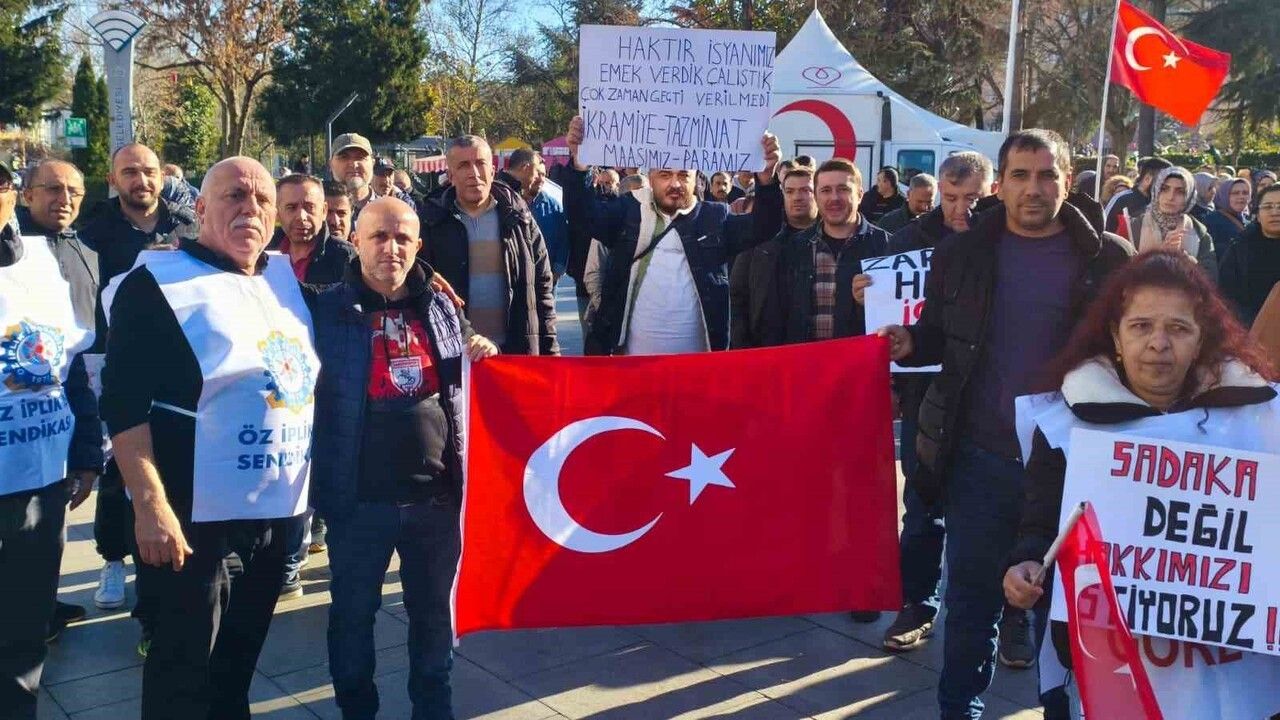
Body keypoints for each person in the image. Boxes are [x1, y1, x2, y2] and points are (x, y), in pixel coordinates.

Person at [878, 129, 1134, 719]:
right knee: (971, 601)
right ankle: (958, 710)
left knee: (1066, 613)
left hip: (1076, 467)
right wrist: (910, 340)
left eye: (1047, 175)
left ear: (1068, 181)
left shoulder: (1108, 260)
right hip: (980, 458)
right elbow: (942, 336)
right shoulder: (962, 253)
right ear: (1000, 184)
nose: (1034, 189)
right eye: (1020, 175)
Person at [1004, 249, 1280, 719]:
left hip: (1235, 670)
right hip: (1112, 667)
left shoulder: (1261, 419)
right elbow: (1040, 522)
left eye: (1178, 328)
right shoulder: (1065, 423)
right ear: (1115, 335)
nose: (1158, 344)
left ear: (1202, 339)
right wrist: (1025, 566)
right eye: (1141, 326)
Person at [101, 157, 314, 719]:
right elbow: (122, 403)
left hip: (270, 516)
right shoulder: (154, 284)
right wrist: (149, 506)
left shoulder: (280, 280)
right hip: (190, 517)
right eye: (234, 196)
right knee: (182, 666)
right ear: (199, 208)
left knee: (237, 663)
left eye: (263, 200)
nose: (251, 208)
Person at [309, 197, 497, 720]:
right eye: (377, 237)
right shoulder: (324, 311)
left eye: (401, 239)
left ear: (418, 245)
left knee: (434, 624)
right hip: (357, 504)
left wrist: (481, 349)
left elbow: (462, 386)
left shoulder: (442, 306)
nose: (390, 249)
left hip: (435, 503)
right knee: (352, 621)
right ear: (357, 242)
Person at [80, 144, 197, 630]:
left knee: (165, 464)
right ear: (114, 179)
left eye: (148, 172)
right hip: (115, 358)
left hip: (179, 363)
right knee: (118, 470)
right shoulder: (93, 233)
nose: (141, 181)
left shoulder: (187, 224)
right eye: (130, 173)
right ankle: (112, 559)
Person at [0, 159, 98, 720]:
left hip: (41, 477)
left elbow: (70, 366)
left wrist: (86, 455)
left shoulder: (40, 264)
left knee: (26, 625)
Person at [561, 115, 781, 355]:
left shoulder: (714, 218)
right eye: (665, 174)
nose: (675, 183)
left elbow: (765, 227)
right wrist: (579, 164)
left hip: (697, 367)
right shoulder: (629, 210)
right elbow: (582, 216)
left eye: (683, 175)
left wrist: (768, 179)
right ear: (651, 177)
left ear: (696, 177)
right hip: (630, 365)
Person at [16, 160, 104, 639]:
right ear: (26, 195)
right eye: (51, 189)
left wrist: (88, 451)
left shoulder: (85, 248)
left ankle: (42, 610)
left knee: (50, 532)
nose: (64, 199)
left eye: (73, 190)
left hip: (71, 395)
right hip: (18, 413)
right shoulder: (13, 254)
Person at [419, 135, 559, 356]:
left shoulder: (519, 219)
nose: (474, 173)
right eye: (464, 165)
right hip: (456, 355)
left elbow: (542, 288)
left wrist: (551, 353)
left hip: (516, 353)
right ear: (451, 176)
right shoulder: (430, 223)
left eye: (480, 163)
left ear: (492, 171)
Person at [729, 163, 819, 348]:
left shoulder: (832, 241)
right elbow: (737, 300)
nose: (797, 197)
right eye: (790, 191)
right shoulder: (758, 241)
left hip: (821, 352)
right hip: (767, 353)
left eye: (805, 190)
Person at [1125, 166, 1218, 282]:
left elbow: (1210, 280)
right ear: (1156, 191)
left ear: (1189, 197)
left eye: (1180, 192)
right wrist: (1158, 256)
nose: (1170, 197)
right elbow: (1120, 276)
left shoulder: (1199, 233)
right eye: (1164, 189)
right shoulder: (1132, 227)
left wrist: (1184, 259)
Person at [268, 174, 356, 287]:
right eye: (291, 207)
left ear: (324, 211)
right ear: (277, 214)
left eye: (309, 207)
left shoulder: (346, 257)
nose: (301, 216)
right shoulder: (261, 251)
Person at [500, 149, 569, 286]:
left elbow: (563, 239)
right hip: (512, 278)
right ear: (525, 168)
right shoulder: (502, 197)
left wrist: (557, 270)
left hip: (544, 278)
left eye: (545, 174)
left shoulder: (553, 205)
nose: (541, 179)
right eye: (538, 173)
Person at [1220, 183, 1280, 325]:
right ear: (1257, 215)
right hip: (1250, 329)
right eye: (1268, 207)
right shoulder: (1240, 247)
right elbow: (1227, 295)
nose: (1275, 212)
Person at [329, 133, 415, 225]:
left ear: (372, 164)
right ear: (330, 164)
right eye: (344, 157)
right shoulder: (317, 210)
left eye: (360, 157)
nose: (353, 164)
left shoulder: (392, 212)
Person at [1105, 156, 1172, 232]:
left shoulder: (1162, 203)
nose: (1166, 188)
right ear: (1147, 179)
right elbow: (1104, 229)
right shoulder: (1122, 199)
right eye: (1162, 182)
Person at [1203, 177, 1253, 263]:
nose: (1241, 197)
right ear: (1224, 195)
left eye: (1245, 193)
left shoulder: (1250, 222)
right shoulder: (1211, 221)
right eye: (1235, 193)